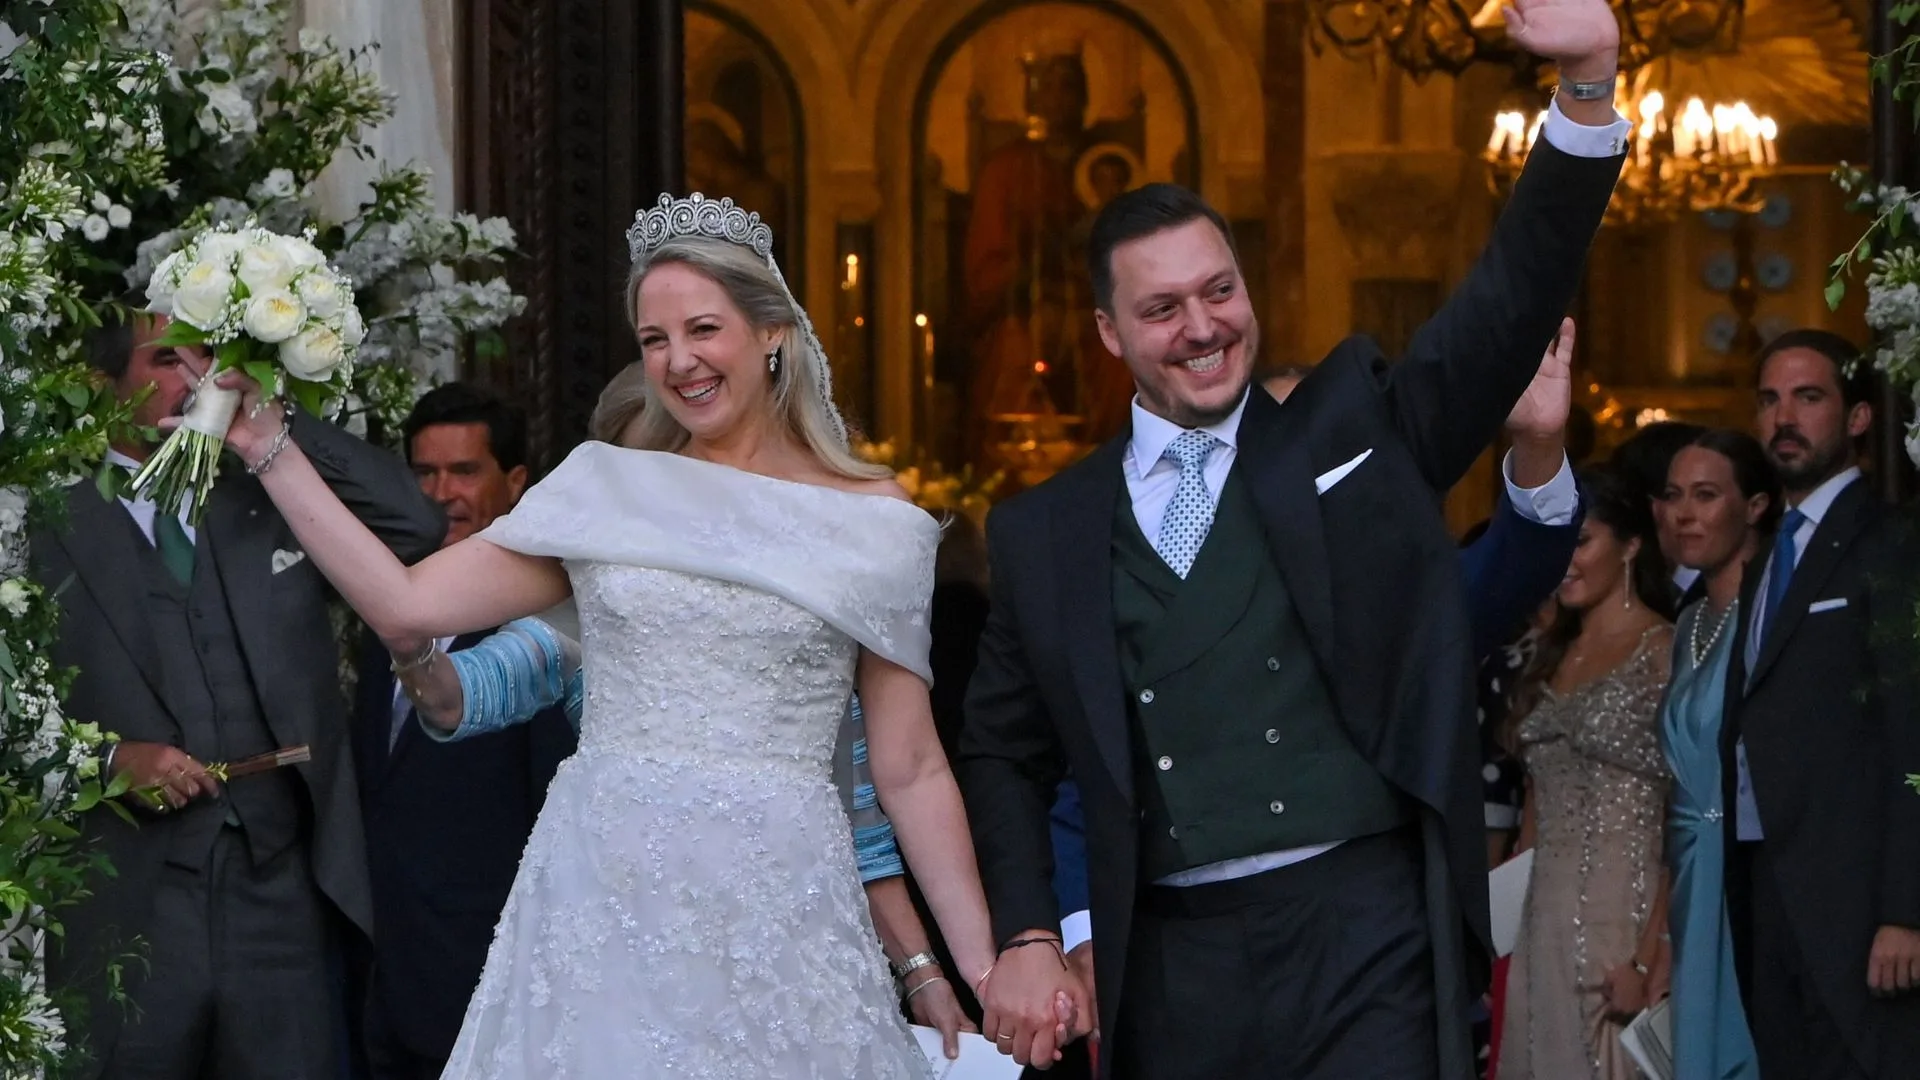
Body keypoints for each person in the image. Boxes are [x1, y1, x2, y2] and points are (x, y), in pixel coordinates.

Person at [181, 195, 1021, 1076]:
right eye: (655, 340)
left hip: (779, 898)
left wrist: (982, 967)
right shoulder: (605, 491)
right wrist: (269, 444)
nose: (679, 361)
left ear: (773, 330)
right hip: (605, 894)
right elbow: (403, 606)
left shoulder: (874, 520)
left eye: (703, 329)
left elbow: (910, 767)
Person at [955, 6, 1631, 1073]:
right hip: (1170, 960)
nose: (1204, 327)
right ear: (1109, 333)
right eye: (1165, 309)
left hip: (1365, 930)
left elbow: (1507, 300)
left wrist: (1587, 85)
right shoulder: (1044, 531)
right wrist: (1035, 933)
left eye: (1220, 291)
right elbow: (1001, 749)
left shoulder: (1351, 428)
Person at [33, 312, 444, 1079]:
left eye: (208, 359)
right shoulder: (42, 528)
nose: (194, 376)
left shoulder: (271, 497)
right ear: (103, 387)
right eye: (166, 359)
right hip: (130, 903)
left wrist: (270, 421)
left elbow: (414, 526)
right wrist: (106, 761)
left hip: (282, 890)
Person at [350, 383, 578, 1079]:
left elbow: (556, 808)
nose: (441, 492)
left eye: (464, 471)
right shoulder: (381, 604)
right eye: (425, 472)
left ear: (515, 483)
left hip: (486, 978)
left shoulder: (546, 626)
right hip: (378, 974)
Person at [1723, 329, 1920, 1080]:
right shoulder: (1770, 550)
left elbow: (1914, 734)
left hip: (1858, 901)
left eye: (1809, 398)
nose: (1784, 418)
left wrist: (1907, 908)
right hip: (1767, 879)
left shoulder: (1893, 542)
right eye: (1770, 400)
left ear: (1859, 417)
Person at [1498, 465, 1675, 1079]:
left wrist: (1653, 960)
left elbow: (1691, 816)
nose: (1564, 561)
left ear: (1629, 545)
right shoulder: (1550, 653)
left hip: (1621, 932)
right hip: (1538, 926)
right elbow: (1533, 817)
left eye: (1582, 541)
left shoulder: (1664, 650)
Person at [1656, 429, 1775, 1080]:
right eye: (1674, 495)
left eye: (1705, 495)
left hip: (1751, 874)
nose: (1684, 513)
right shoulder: (1691, 620)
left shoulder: (1773, 612)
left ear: (1755, 505)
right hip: (1689, 880)